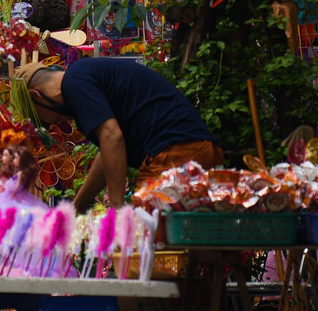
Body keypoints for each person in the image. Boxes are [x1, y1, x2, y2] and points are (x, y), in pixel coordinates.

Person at [21, 57, 221, 211]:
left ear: (35, 96)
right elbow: (108, 152)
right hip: (196, 149)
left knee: (149, 243)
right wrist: (76, 209)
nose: (53, 124)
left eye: (43, 120)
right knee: (187, 246)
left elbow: (112, 138)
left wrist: (117, 210)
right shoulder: (82, 78)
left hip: (175, 153)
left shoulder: (74, 82)